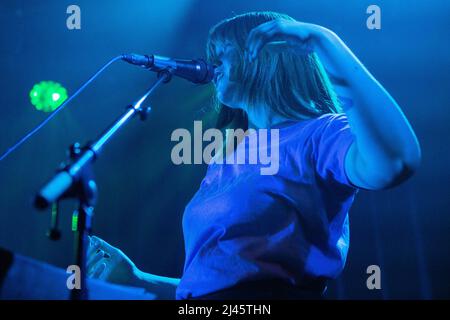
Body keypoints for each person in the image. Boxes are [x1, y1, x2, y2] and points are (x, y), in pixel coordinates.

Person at [86, 11, 421, 300]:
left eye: (222, 54)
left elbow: (394, 162)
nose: (211, 64)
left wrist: (324, 40)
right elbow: (216, 292)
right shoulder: (226, 157)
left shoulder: (320, 134)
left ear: (266, 54)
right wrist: (140, 281)